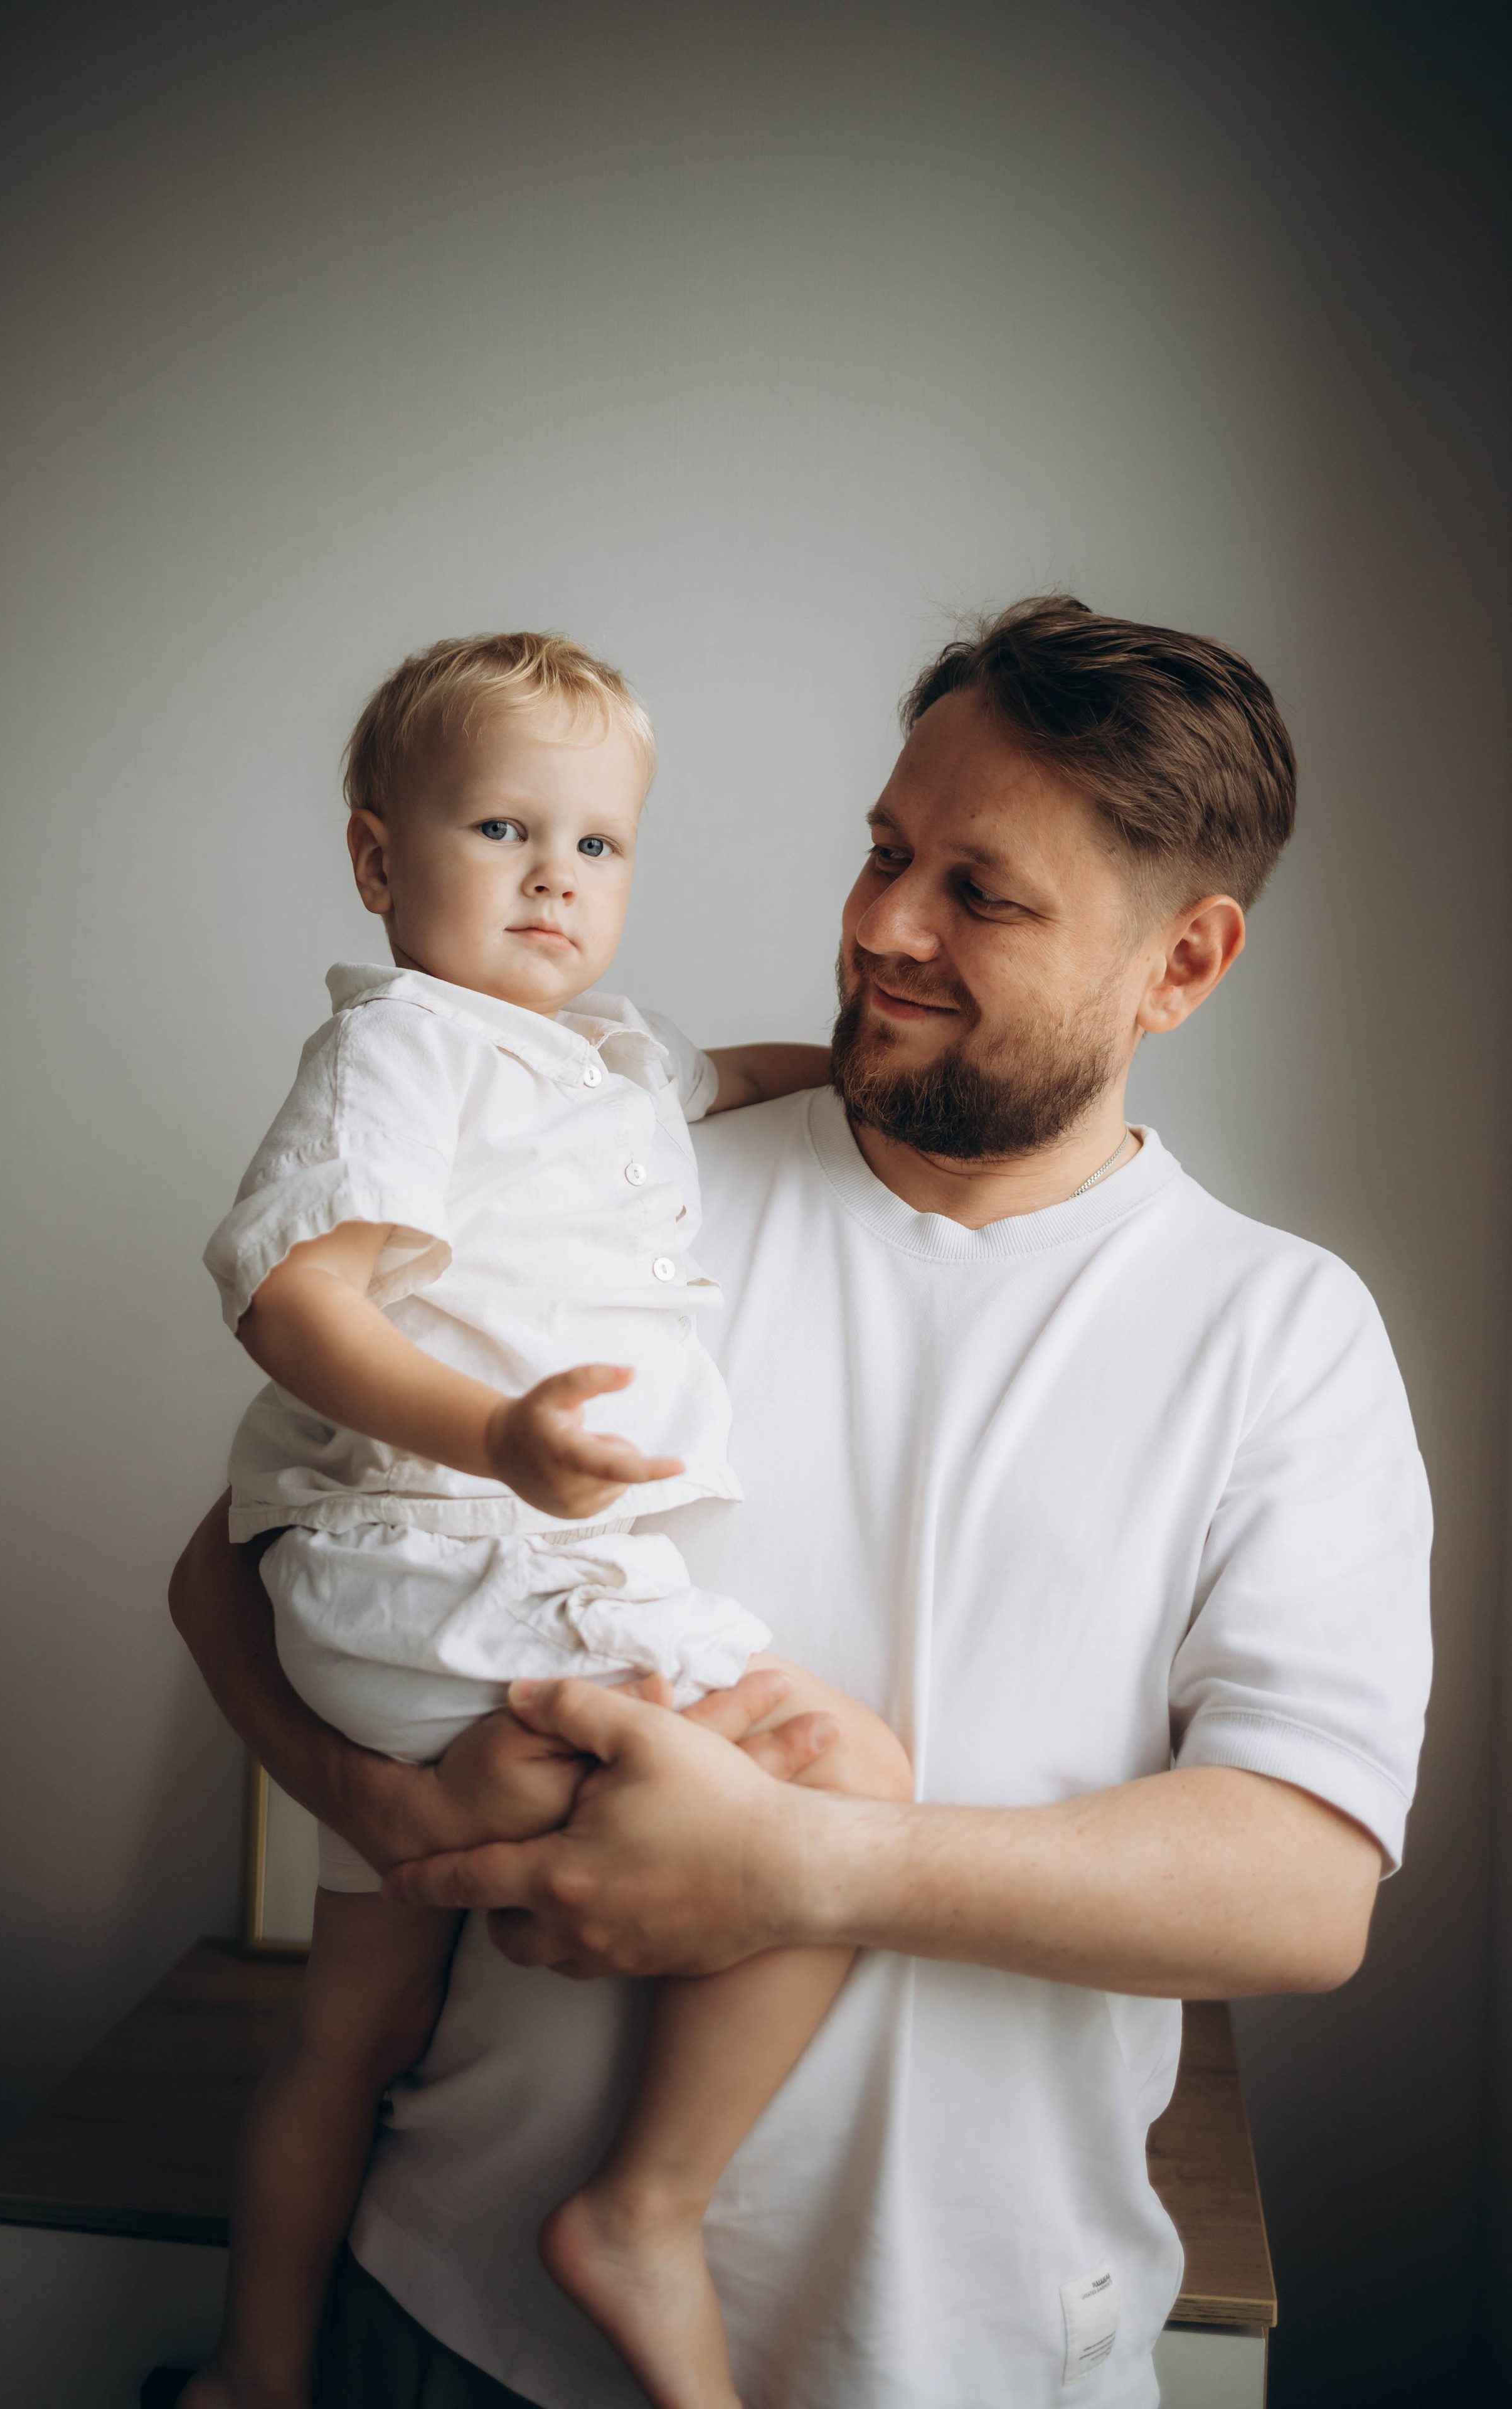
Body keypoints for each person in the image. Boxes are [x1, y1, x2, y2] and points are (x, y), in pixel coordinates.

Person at [171, 597, 1432, 2409]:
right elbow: (231, 1576)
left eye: (980, 894)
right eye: (886, 851)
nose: (882, 927)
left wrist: (798, 1866)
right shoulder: (616, 1169)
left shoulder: (1280, 1332)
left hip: (971, 2354)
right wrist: (399, 1812)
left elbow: (1303, 1890)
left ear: (1182, 965)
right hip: (458, 2322)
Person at [181, 631, 911, 2409]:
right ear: (378, 860)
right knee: (846, 1776)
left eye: (597, 846)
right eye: (503, 828)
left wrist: (852, 1067)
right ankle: (646, 2212)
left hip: (422, 1592)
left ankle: (252, 2379)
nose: (553, 879)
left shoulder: (599, 1052)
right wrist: (496, 1435)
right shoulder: (406, 1050)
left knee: (346, 2036)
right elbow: (290, 1295)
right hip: (442, 1553)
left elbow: (720, 1078)